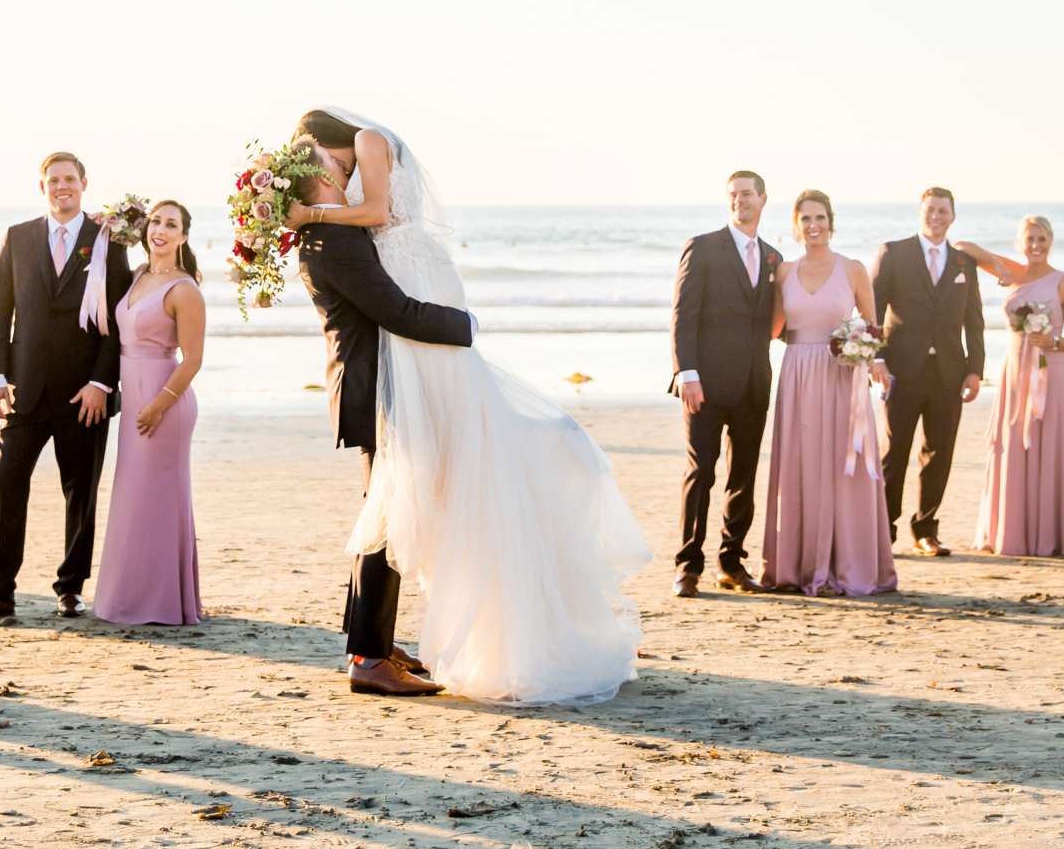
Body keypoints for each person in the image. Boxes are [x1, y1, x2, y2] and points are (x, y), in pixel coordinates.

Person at [291, 108, 648, 705]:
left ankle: (368, 645)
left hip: (383, 383)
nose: (342, 172)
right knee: (388, 517)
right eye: (332, 167)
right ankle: (370, 658)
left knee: (386, 511)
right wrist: (467, 325)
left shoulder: (329, 230)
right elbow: (398, 312)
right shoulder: (336, 235)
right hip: (382, 387)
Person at [0, 152, 130, 623]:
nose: (62, 187)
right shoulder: (17, 238)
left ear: (84, 183)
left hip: (84, 396)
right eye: (53, 180)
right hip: (25, 392)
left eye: (69, 179)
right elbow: (0, 314)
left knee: (81, 493)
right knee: (7, 484)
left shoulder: (108, 242)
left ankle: (70, 589)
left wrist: (101, 382)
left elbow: (118, 323)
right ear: (42, 188)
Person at [759, 190, 895, 596]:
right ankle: (798, 563)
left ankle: (847, 563)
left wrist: (868, 357)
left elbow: (873, 328)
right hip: (798, 373)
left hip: (841, 377)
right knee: (801, 463)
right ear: (795, 225)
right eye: (805, 219)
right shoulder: (784, 272)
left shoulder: (852, 269)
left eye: (819, 217)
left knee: (842, 467)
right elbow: (773, 329)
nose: (813, 225)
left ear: (831, 222)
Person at [668, 171, 784, 595]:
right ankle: (688, 565)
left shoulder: (773, 257)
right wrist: (687, 373)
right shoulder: (702, 247)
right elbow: (683, 313)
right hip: (706, 384)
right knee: (701, 472)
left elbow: (780, 320)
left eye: (747, 194)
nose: (740, 201)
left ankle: (732, 563)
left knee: (744, 476)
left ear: (763, 199)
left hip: (754, 385)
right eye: (733, 195)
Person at [94, 201, 208, 626]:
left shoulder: (184, 290)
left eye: (171, 224)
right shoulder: (140, 275)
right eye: (156, 221)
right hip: (134, 394)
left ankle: (161, 602)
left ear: (183, 236)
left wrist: (159, 405)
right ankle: (128, 597)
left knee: (159, 501)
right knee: (133, 499)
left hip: (165, 400)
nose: (161, 229)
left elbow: (193, 359)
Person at [869, 187, 987, 557]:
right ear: (920, 213)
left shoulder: (964, 262)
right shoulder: (894, 253)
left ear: (953, 216)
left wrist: (975, 370)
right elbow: (872, 311)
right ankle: (882, 530)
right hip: (901, 370)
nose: (936, 216)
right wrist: (876, 359)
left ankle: (926, 530)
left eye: (943, 211)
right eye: (930, 210)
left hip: (948, 373)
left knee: (940, 452)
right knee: (895, 451)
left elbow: (975, 320)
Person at [958, 217, 1064, 556]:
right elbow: (962, 247)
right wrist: (998, 265)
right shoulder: (1013, 274)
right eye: (1029, 238)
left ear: (1052, 240)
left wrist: (1053, 341)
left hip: (1052, 371)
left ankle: (1049, 533)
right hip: (1015, 371)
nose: (1036, 245)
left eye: (1042, 238)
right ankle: (1012, 530)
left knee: (1049, 443)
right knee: (1013, 443)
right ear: (1020, 242)